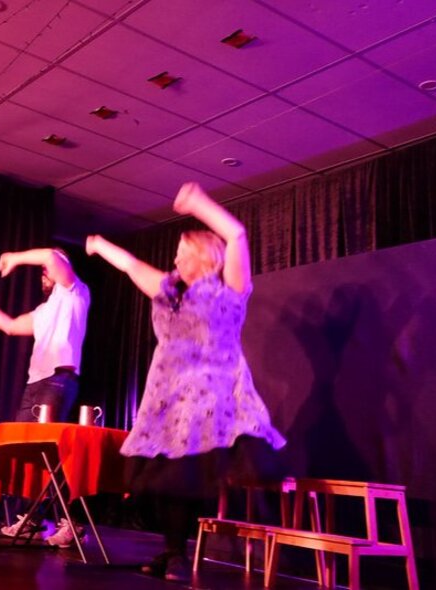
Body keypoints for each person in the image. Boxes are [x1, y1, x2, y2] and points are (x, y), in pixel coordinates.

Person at [85, 181, 287, 583]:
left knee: (183, 478)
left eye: (180, 251)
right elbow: (129, 266)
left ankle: (178, 553)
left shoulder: (230, 290)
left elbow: (236, 235)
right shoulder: (167, 292)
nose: (174, 258)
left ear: (200, 256)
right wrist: (97, 245)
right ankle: (170, 549)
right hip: (167, 398)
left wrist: (198, 204)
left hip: (211, 398)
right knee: (159, 479)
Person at [0, 248, 90, 545]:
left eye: (47, 268)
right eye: (42, 270)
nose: (44, 272)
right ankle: (32, 520)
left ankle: (72, 521)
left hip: (58, 379)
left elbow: (52, 259)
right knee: (27, 452)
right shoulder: (44, 311)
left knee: (50, 452)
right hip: (36, 384)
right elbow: (11, 326)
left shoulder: (74, 292)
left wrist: (14, 257)